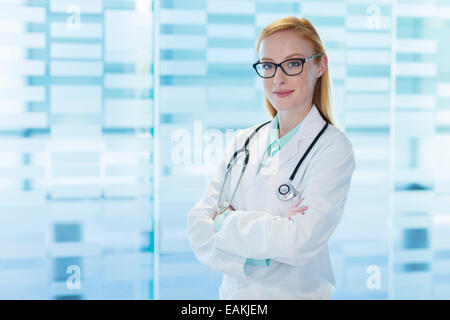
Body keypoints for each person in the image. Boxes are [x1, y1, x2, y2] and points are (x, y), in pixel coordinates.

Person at [187, 16, 356, 300]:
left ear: (320, 66)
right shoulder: (244, 141)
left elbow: (299, 242)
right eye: (268, 65)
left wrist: (224, 222)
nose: (278, 78)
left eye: (292, 63)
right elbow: (196, 228)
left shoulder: (333, 149)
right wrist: (268, 243)